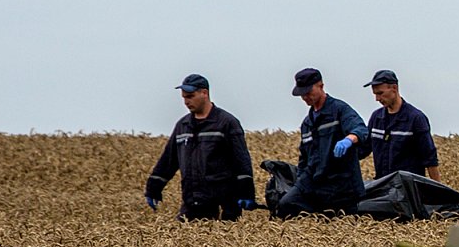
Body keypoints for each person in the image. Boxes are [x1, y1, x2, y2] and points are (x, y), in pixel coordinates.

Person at [144, 74, 257, 221]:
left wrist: (246, 193)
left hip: (224, 204)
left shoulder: (226, 123)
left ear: (204, 93)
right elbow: (168, 161)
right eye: (184, 97)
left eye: (190, 96)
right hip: (193, 201)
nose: (186, 102)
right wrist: (153, 188)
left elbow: (241, 160)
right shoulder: (183, 126)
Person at [273, 67, 369, 218]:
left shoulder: (339, 110)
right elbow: (304, 157)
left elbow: (360, 129)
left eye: (308, 92)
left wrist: (348, 140)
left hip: (341, 186)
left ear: (321, 86)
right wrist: (299, 183)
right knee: (286, 205)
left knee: (341, 224)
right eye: (302, 94)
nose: (305, 97)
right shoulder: (307, 123)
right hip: (314, 182)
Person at [361, 69, 441, 182]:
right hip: (383, 186)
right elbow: (364, 148)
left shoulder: (415, 119)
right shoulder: (376, 118)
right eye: (375, 94)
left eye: (380, 93)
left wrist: (439, 194)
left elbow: (430, 159)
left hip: (408, 189)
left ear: (394, 88)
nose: (377, 99)